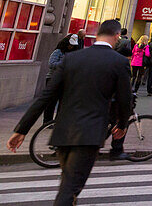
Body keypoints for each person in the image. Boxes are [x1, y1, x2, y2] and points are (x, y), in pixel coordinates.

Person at [8, 19, 133, 205]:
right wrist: (122, 124)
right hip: (89, 134)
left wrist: (22, 129)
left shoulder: (72, 58)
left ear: (97, 35)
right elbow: (125, 99)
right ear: (116, 37)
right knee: (69, 189)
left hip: (63, 132)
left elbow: (46, 97)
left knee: (69, 183)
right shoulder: (119, 62)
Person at [43, 35, 81, 122]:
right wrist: (64, 64)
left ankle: (58, 121)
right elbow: (51, 64)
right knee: (51, 102)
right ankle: (47, 120)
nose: (71, 47)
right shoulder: (58, 52)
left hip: (66, 80)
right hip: (53, 79)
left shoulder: (73, 54)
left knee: (63, 102)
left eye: (73, 46)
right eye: (70, 45)